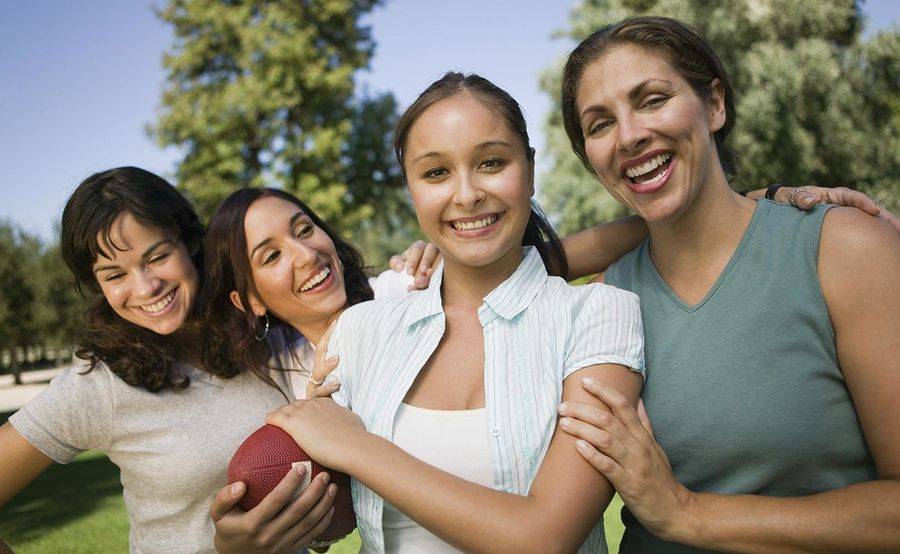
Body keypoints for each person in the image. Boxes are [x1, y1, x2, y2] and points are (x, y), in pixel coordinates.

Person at [552, 16, 900, 552]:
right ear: (593, 162)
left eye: (651, 99)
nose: (629, 135)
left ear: (714, 104)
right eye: (599, 125)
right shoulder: (608, 298)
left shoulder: (844, 249)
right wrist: (434, 261)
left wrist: (688, 514)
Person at [258, 72, 645, 553]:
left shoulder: (598, 315)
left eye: (491, 162)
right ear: (411, 189)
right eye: (436, 172)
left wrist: (355, 448)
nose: (466, 194)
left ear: (529, 168)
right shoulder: (359, 331)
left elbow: (547, 538)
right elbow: (336, 523)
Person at [0, 167, 420, 553]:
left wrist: (422, 270)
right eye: (115, 275)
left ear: (191, 244)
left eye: (157, 256)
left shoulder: (266, 342)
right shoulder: (98, 385)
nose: (145, 287)